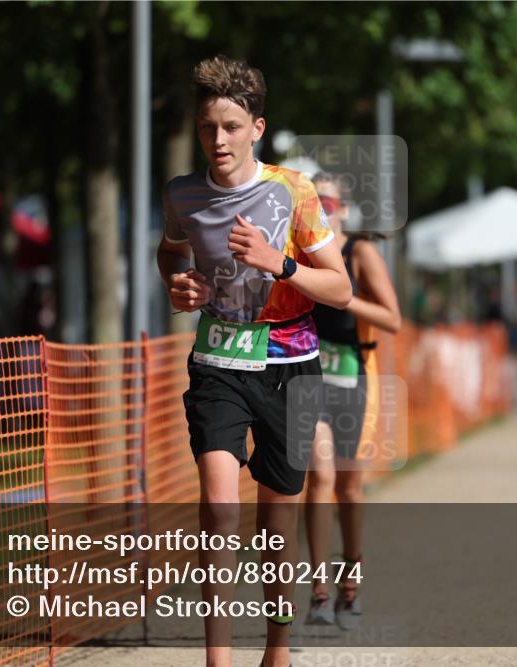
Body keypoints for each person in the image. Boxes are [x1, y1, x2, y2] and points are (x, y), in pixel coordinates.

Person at [155, 55, 352, 667]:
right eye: (208, 126)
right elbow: (170, 254)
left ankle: (278, 647)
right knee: (218, 506)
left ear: (257, 128)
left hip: (292, 364)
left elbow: (341, 289)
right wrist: (179, 282)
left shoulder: (294, 191)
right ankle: (218, 660)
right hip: (218, 357)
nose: (218, 139)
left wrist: (281, 264)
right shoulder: (182, 194)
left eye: (231, 127)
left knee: (275, 524)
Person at [303, 172, 400, 630]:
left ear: (343, 207)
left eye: (330, 201)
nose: (323, 208)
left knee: (348, 487)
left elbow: (392, 318)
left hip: (354, 377)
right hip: (308, 376)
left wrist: (343, 298)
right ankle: (319, 592)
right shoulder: (298, 255)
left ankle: (351, 582)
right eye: (315, 201)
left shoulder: (358, 253)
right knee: (318, 476)